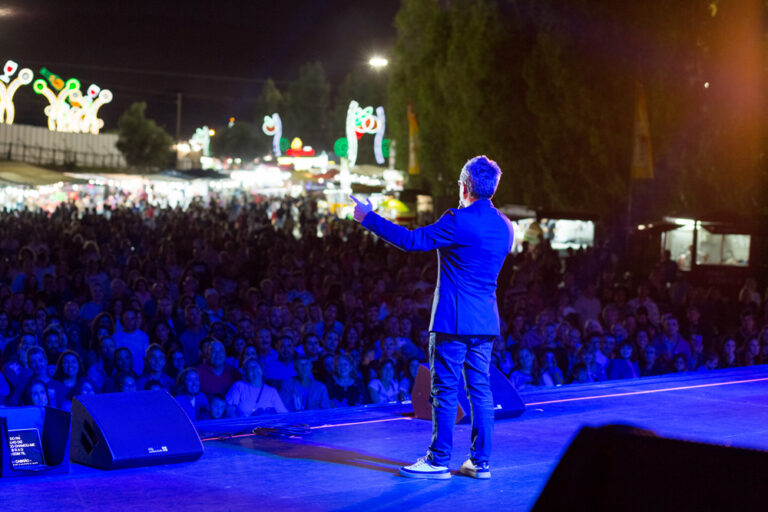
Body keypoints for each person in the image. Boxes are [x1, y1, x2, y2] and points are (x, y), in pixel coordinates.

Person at [351, 155, 513, 480]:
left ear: (465, 185)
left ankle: (438, 460)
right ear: (492, 188)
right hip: (485, 321)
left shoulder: (457, 220)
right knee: (480, 390)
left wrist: (368, 218)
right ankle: (480, 463)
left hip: (453, 320)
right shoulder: (505, 225)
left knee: (444, 389)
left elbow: (412, 242)